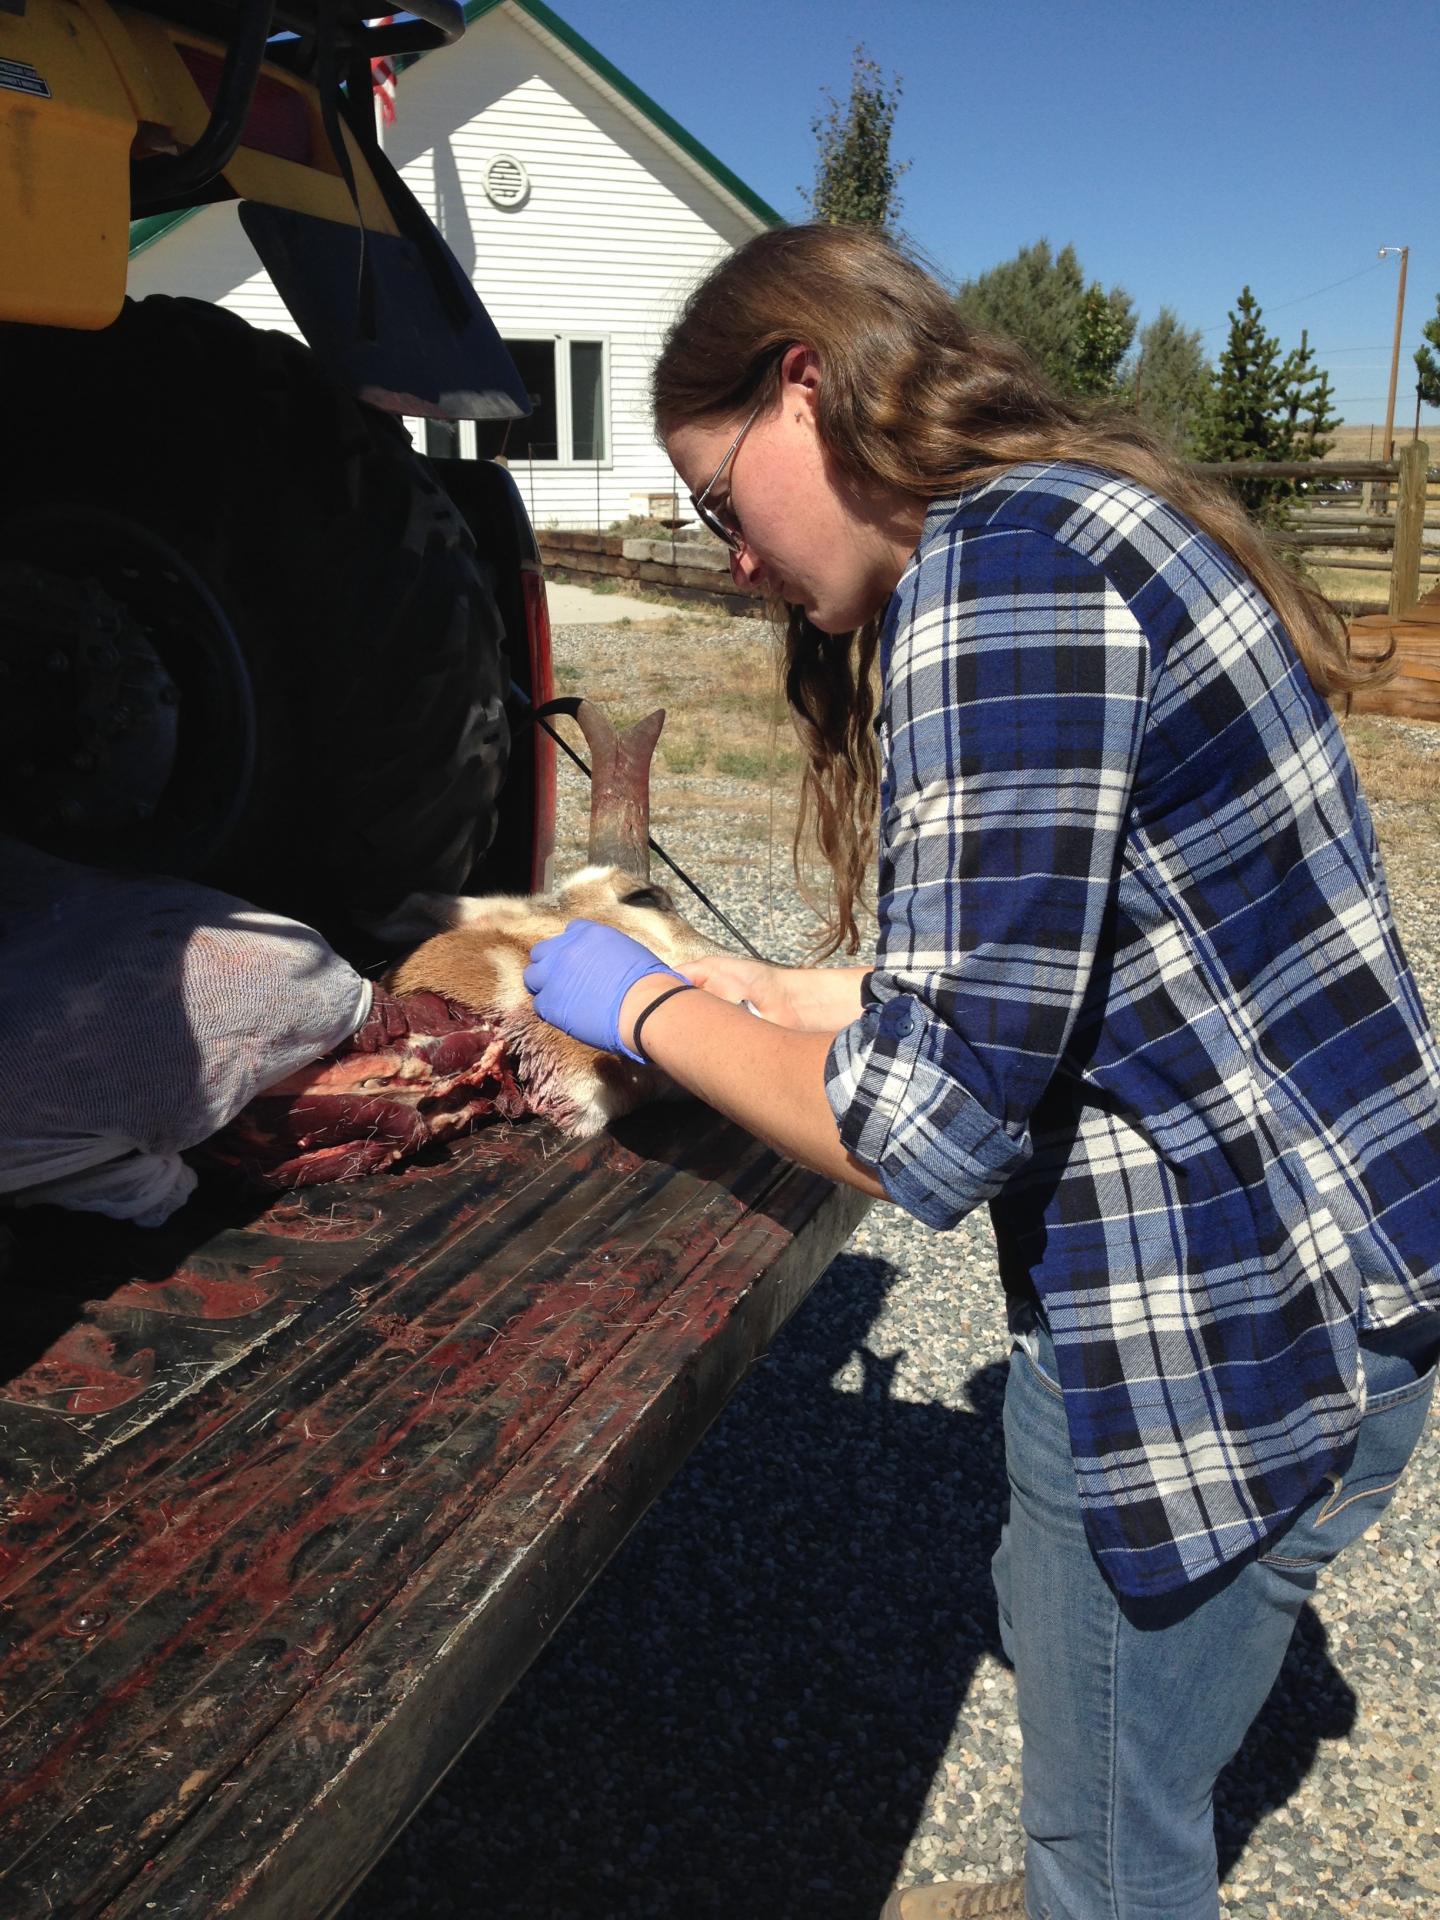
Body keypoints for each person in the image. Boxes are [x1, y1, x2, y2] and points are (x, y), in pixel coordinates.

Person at [522, 223, 1440, 1920]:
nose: (732, 564)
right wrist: (754, 985)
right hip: (1352, 1293)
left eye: (724, 502)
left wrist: (633, 1008)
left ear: (806, 383)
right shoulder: (1093, 520)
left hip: (1214, 1345)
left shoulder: (1001, 577)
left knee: (1103, 1853)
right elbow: (1060, 961)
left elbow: (919, 1130)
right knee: (1082, 1680)